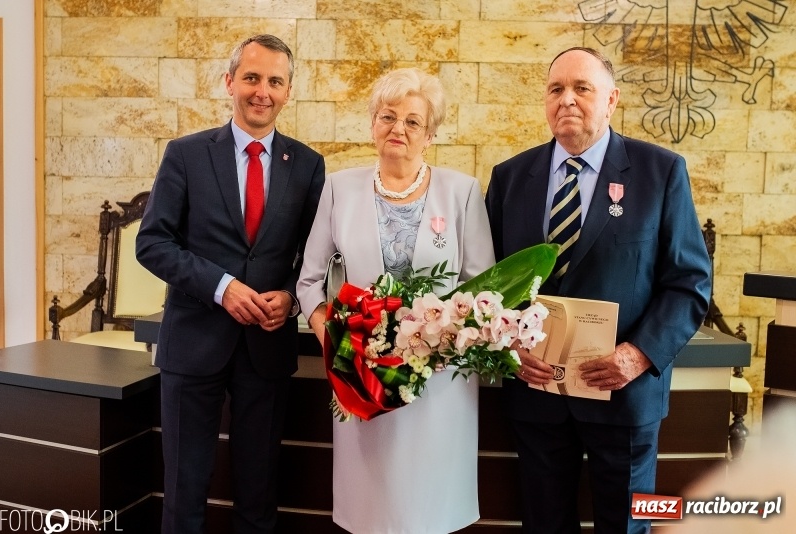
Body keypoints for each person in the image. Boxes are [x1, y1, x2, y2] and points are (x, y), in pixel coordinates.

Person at [485, 47, 712, 533]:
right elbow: (489, 285)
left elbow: (689, 283)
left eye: (581, 88)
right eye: (555, 89)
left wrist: (638, 355)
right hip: (537, 392)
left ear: (612, 101)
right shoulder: (509, 179)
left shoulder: (660, 172)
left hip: (625, 396)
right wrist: (508, 349)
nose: (566, 100)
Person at [135, 34, 325, 534]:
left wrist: (289, 295)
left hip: (267, 347)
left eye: (275, 81)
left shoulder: (307, 165)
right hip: (193, 343)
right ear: (230, 82)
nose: (263, 91)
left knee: (259, 493)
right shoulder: (186, 155)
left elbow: (315, 253)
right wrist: (221, 286)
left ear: (288, 91)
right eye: (252, 77)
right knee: (183, 492)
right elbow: (151, 243)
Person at [297, 67, 494, 533]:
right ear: (372, 125)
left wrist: (446, 343)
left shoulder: (461, 191)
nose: (397, 129)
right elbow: (308, 282)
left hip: (440, 382)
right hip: (361, 376)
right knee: (370, 510)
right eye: (387, 117)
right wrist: (338, 340)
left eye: (412, 121)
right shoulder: (338, 188)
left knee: (432, 510)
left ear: (430, 135)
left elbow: (483, 289)